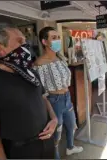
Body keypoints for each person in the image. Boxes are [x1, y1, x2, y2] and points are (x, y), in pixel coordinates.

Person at [0, 23, 58, 159]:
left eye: (25, 40)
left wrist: (54, 119)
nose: (26, 45)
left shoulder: (30, 73)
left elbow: (43, 98)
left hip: (47, 146)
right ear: (0, 48)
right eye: (20, 41)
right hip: (19, 152)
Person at [34, 27, 83, 159]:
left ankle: (70, 148)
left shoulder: (61, 58)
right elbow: (40, 91)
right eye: (53, 38)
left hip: (67, 98)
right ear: (44, 42)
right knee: (56, 134)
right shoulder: (39, 64)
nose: (57, 40)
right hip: (54, 101)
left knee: (72, 125)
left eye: (58, 37)